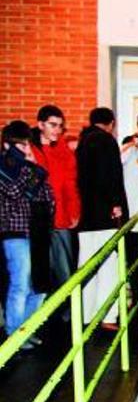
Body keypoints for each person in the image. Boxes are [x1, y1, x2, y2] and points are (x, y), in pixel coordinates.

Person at [1, 121, 54, 350]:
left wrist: (36, 171)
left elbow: (45, 195)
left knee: (38, 285)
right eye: (20, 146)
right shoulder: (5, 166)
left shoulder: (30, 169)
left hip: (37, 231)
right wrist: (30, 170)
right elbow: (13, 191)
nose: (25, 150)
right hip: (14, 232)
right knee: (20, 283)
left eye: (27, 145)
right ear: (7, 145)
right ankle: (14, 334)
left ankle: (26, 329)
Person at [76, 107, 129, 330]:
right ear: (111, 123)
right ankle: (107, 316)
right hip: (105, 215)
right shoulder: (106, 142)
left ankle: (85, 315)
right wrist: (116, 204)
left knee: (87, 266)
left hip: (85, 215)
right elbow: (111, 176)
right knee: (108, 266)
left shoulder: (82, 142)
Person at [31, 105, 80, 299]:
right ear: (40, 124)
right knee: (37, 274)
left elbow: (70, 184)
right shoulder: (29, 149)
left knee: (65, 272)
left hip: (61, 218)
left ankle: (67, 318)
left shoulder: (63, 151)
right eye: (53, 125)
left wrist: (74, 211)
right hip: (36, 220)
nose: (57, 130)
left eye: (60, 126)